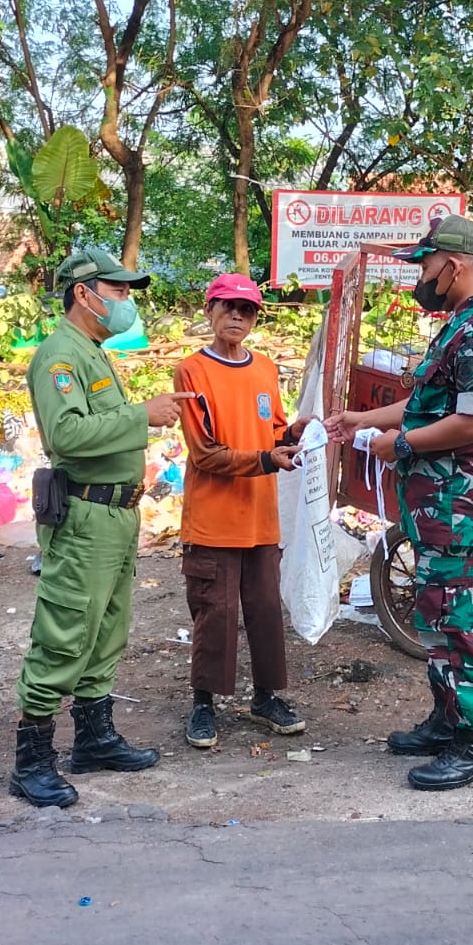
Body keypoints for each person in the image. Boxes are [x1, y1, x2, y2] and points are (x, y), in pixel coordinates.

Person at [326, 215, 473, 791]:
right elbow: (425, 405)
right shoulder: (459, 325)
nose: (423, 275)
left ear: (453, 266)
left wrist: (399, 444)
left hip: (461, 505)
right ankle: (446, 720)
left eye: (426, 264)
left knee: (458, 621)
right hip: (438, 505)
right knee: (435, 616)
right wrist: (363, 419)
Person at [9, 245, 195, 810]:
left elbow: (97, 423)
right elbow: (65, 436)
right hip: (85, 516)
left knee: (107, 630)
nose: (126, 302)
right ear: (84, 295)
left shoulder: (93, 352)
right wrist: (143, 414)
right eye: (118, 292)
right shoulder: (59, 357)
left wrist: (138, 414)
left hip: (116, 515)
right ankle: (32, 761)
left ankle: (93, 739)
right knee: (66, 630)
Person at [173, 273, 314, 749]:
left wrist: (295, 433)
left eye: (247, 309)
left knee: (264, 609)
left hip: (260, 517)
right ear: (210, 310)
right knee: (214, 611)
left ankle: (266, 696)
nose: (237, 316)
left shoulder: (265, 369)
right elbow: (204, 454)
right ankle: (204, 703)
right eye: (228, 306)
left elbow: (271, 431)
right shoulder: (192, 371)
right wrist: (265, 459)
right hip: (213, 518)